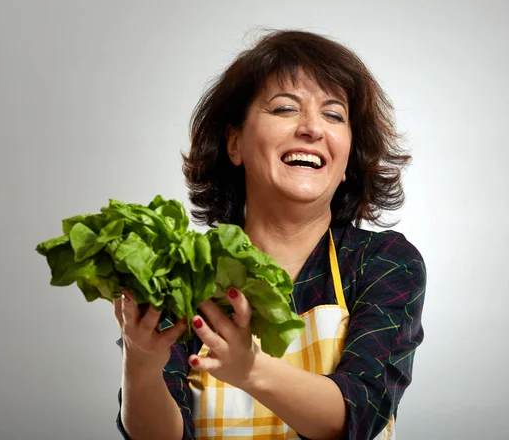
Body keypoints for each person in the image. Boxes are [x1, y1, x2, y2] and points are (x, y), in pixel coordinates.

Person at [113, 29, 426, 440]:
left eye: (334, 115)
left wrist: (250, 369)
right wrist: (140, 363)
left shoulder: (383, 262)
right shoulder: (186, 271)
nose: (312, 128)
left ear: (349, 157)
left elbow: (358, 414)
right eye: (284, 108)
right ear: (235, 142)